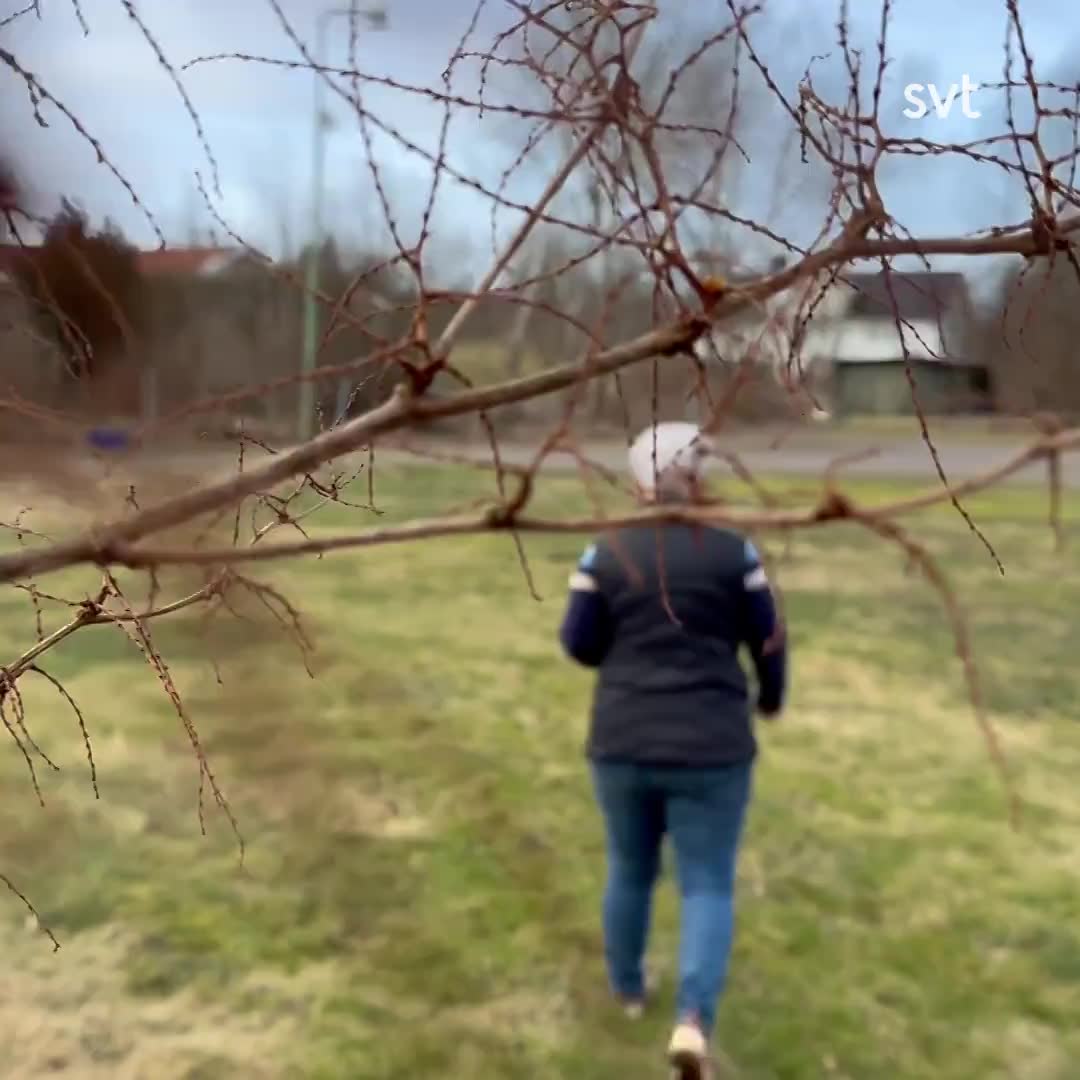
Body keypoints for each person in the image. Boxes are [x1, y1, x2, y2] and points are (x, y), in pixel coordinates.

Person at [558, 421, 787, 1080]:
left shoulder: (605, 552)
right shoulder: (734, 554)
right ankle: (692, 1021)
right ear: (699, 477)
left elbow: (578, 641)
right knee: (707, 881)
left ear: (637, 480)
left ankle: (628, 989)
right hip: (713, 746)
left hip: (622, 739)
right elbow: (769, 640)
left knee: (630, 868)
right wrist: (770, 698)